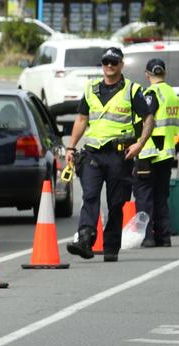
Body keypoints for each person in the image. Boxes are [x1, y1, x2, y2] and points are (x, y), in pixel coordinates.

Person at [65, 47, 155, 262]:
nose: (110, 66)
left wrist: (140, 144)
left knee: (116, 203)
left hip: (119, 156)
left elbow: (148, 119)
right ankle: (85, 239)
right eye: (106, 62)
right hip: (93, 154)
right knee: (89, 196)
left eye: (114, 62)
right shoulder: (91, 89)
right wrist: (70, 147)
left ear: (121, 64)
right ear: (102, 65)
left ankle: (111, 247)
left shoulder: (132, 90)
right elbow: (81, 119)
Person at [134, 59, 179, 248]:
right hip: (167, 152)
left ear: (147, 74)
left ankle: (148, 237)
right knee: (161, 195)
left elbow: (147, 119)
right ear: (165, 73)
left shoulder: (151, 93)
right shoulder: (172, 94)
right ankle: (164, 236)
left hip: (149, 152)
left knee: (144, 195)